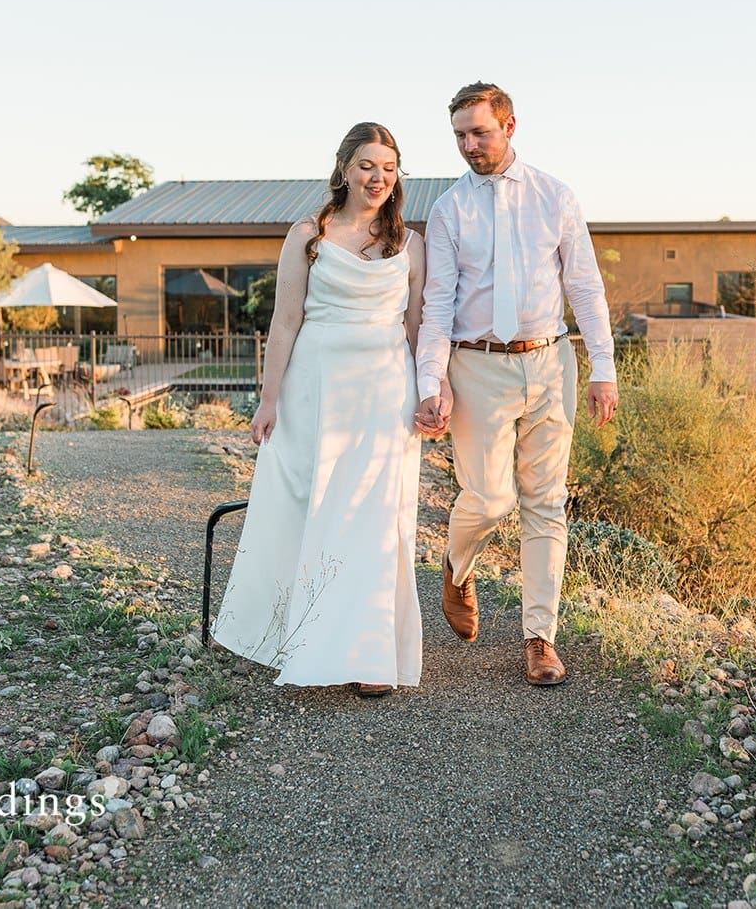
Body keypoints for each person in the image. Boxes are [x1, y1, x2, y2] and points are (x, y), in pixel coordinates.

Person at [212, 122, 428, 696]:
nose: (377, 177)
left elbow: (416, 329)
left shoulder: (410, 243)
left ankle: (370, 654)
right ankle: (300, 637)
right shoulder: (307, 234)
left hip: (386, 394)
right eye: (366, 165)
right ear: (343, 169)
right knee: (312, 508)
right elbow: (285, 322)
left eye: (387, 166)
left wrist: (434, 392)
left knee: (376, 519)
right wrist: (268, 400)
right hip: (316, 387)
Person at [414, 82, 618, 687]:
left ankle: (539, 639)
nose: (469, 145)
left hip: (551, 363)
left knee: (545, 505)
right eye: (459, 135)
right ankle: (457, 564)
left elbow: (584, 285)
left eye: (479, 132)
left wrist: (602, 367)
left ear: (509, 126)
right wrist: (432, 381)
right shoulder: (450, 209)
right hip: (476, 367)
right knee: (489, 499)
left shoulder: (555, 197)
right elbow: (437, 306)